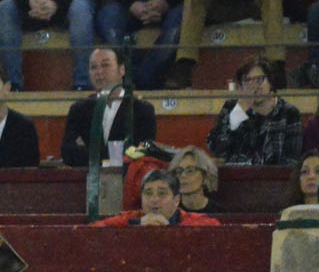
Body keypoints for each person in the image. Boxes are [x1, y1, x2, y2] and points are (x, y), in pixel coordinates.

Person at [59, 46, 157, 166]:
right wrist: (108, 159)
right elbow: (68, 150)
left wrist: (122, 158)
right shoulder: (79, 109)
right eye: (93, 67)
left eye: (105, 65)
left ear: (122, 69)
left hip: (128, 177)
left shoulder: (141, 108)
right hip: (89, 179)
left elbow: (147, 144)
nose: (99, 72)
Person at [204, 55, 302, 164]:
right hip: (237, 177)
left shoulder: (289, 113)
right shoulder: (231, 107)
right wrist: (238, 114)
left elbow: (291, 160)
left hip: (274, 178)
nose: (254, 86)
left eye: (259, 80)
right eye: (248, 80)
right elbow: (215, 149)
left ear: (271, 82)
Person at [91, 167, 221, 225]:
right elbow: (93, 230)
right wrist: (134, 226)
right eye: (148, 193)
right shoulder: (131, 218)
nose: (154, 200)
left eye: (162, 193)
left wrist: (172, 231)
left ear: (176, 201)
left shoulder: (192, 221)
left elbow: (215, 228)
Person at [169, 146, 223, 213]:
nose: (183, 175)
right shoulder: (169, 212)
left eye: (190, 171)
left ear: (205, 176)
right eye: (179, 171)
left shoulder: (219, 213)